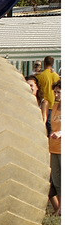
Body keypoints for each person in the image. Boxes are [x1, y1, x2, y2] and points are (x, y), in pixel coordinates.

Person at [47, 80, 61, 215]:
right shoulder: (55, 107)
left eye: (59, 92)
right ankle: (60, 207)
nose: (56, 95)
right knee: (56, 180)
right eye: (55, 92)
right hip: (54, 148)